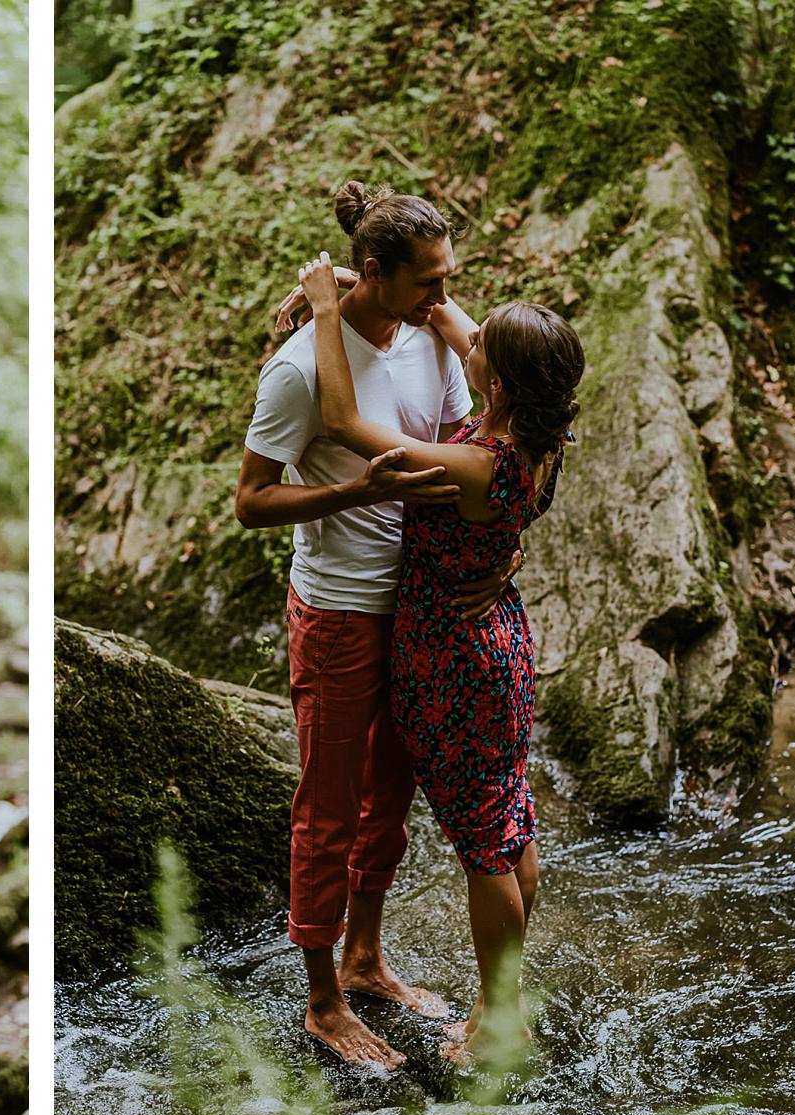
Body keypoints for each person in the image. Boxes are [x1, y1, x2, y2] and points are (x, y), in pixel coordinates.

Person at [236, 182, 522, 1067]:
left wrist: (496, 559)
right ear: (372, 272)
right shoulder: (295, 369)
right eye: (427, 283)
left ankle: (365, 958)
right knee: (326, 812)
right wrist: (354, 491)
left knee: (387, 803)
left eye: (448, 281)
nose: (443, 299)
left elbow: (474, 465)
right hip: (338, 610)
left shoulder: (435, 343)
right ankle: (322, 998)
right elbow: (251, 501)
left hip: (422, 611)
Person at [297, 245, 583, 1061]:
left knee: (484, 841)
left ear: (494, 383)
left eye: (483, 338)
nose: (465, 325)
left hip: (452, 659)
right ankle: (507, 1008)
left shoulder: (474, 459)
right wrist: (378, 274)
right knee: (507, 817)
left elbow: (349, 425)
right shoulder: (535, 432)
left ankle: (498, 1024)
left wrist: (324, 310)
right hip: (500, 642)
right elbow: (444, 315)